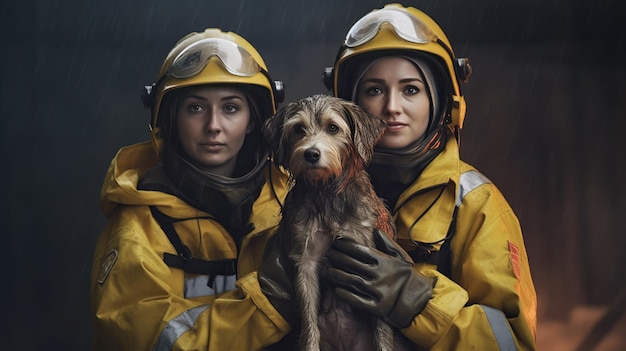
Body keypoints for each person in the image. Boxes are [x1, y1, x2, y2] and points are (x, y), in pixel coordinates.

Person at [319, 3, 538, 349]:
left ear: (441, 102)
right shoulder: (311, 194)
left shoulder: (474, 202)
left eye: (410, 89)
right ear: (348, 105)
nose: (392, 106)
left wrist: (416, 299)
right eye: (374, 90)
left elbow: (510, 343)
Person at [90, 28, 294, 350]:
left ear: (254, 120)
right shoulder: (139, 230)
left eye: (230, 108)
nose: (213, 125)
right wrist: (270, 302)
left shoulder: (291, 203)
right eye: (196, 108)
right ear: (171, 118)